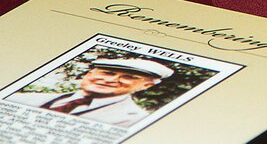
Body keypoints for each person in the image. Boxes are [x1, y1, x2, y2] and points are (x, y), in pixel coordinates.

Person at [7, 58, 173, 128]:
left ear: (145, 86)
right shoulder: (20, 98)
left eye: (128, 77)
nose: (110, 80)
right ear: (89, 75)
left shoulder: (134, 119)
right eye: (107, 73)